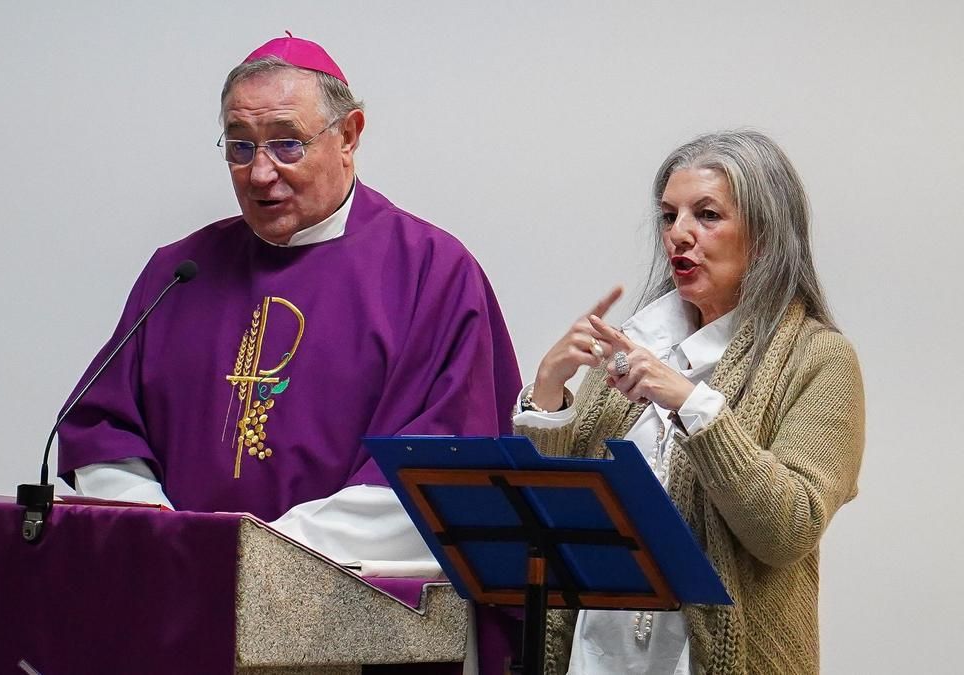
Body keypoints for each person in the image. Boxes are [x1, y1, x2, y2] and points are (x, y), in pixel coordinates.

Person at [56, 34, 521, 579]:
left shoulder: (430, 272)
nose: (259, 173)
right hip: (178, 592)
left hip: (348, 609)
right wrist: (163, 533)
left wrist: (259, 552)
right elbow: (103, 427)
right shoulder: (180, 271)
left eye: (287, 144)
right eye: (240, 146)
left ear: (348, 135)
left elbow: (443, 466)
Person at [515, 130, 865, 674]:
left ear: (767, 235)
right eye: (668, 215)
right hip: (596, 653)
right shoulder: (636, 341)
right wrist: (548, 393)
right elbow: (552, 515)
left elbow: (787, 530)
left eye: (706, 215)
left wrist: (695, 407)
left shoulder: (821, 360)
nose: (678, 235)